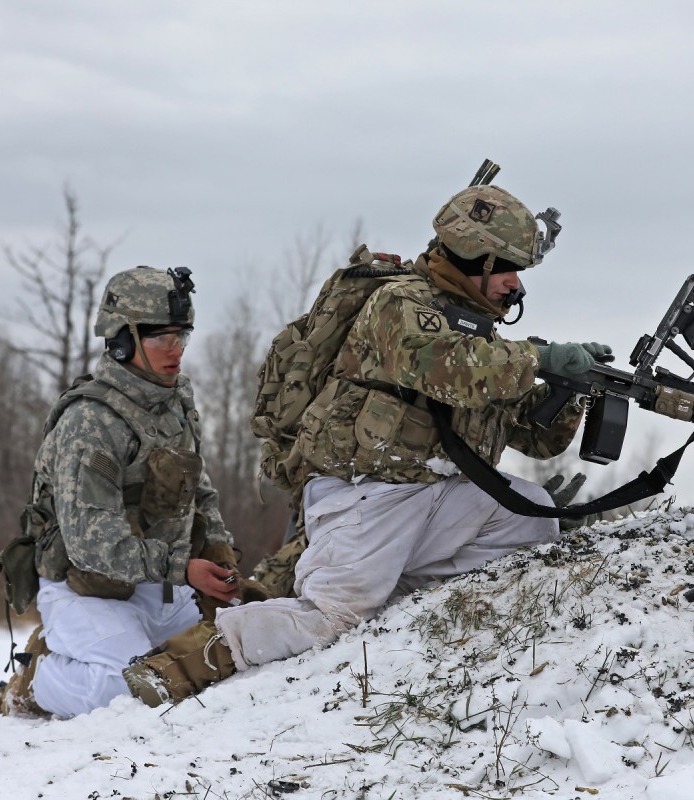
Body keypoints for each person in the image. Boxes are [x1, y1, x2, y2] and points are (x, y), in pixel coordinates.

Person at [122, 182, 609, 706]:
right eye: (507, 268)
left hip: (431, 493)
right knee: (331, 620)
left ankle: (417, 626)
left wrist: (568, 391)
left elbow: (536, 440)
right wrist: (540, 358)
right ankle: (177, 663)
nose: (514, 285)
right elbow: (446, 368)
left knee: (531, 512)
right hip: (364, 495)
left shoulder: (482, 337)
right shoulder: (401, 303)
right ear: (474, 257)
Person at [0, 266, 241, 718]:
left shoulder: (176, 400)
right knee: (131, 691)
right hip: (83, 591)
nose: (176, 350)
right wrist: (183, 566)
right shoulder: (91, 421)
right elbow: (90, 543)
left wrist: (219, 547)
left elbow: (197, 484)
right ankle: (34, 678)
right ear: (123, 339)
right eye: (162, 337)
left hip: (157, 587)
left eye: (183, 335)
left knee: (233, 658)